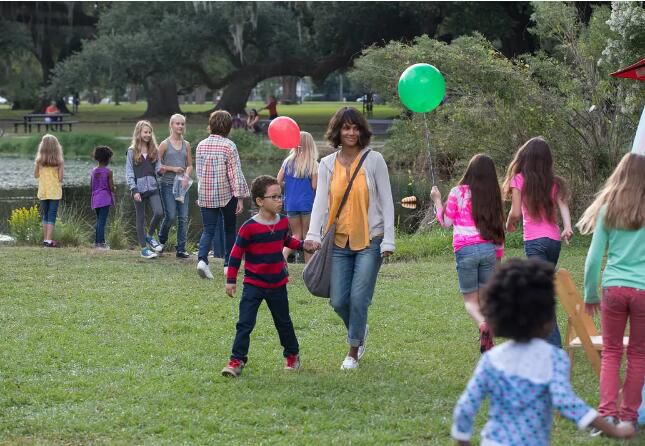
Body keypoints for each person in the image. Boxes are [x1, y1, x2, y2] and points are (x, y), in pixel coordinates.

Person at [451, 258, 636, 446]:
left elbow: (466, 405)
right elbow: (568, 403)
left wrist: (462, 439)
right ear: (546, 319)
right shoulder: (554, 359)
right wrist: (614, 430)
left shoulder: (491, 360)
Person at [304, 107, 395, 370]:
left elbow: (387, 201)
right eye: (346, 128)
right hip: (339, 241)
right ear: (338, 131)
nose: (351, 132)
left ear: (362, 131)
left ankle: (353, 351)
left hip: (371, 239)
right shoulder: (327, 164)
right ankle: (360, 328)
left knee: (359, 298)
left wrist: (389, 239)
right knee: (339, 300)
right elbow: (320, 202)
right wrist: (312, 234)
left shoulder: (374, 160)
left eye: (355, 127)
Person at [576, 152, 645, 434]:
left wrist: (590, 294)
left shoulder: (608, 208)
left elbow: (593, 259)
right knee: (639, 355)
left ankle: (607, 416)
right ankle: (628, 417)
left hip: (614, 289)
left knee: (612, 352)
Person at [221, 175, 304, 378]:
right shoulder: (249, 227)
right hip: (253, 284)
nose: (279, 201)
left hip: (277, 284)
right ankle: (236, 360)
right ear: (259, 201)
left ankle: (292, 355)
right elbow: (235, 254)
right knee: (245, 323)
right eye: (274, 197)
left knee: (283, 321)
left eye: (280, 196)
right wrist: (231, 280)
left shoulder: (283, 222)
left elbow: (287, 241)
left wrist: (303, 245)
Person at [431, 154, 505, 354]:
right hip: (489, 250)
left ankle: (483, 325)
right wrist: (498, 256)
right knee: (483, 300)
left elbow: (446, 223)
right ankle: (489, 341)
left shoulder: (457, 192)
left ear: (470, 171)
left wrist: (437, 201)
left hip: (465, 250)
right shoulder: (493, 195)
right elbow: (499, 228)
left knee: (471, 302)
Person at [502, 136, 573, 348]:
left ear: (525, 156)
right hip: (553, 241)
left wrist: (508, 224)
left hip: (535, 242)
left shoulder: (519, 179)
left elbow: (514, 212)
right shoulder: (553, 181)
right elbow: (563, 206)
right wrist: (568, 227)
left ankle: (553, 347)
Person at [196, 110, 249, 279]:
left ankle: (202, 261)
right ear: (228, 126)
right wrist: (240, 196)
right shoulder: (229, 146)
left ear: (210, 125)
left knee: (208, 230)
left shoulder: (201, 145)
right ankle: (228, 265)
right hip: (226, 194)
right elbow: (235, 174)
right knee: (229, 230)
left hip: (205, 193)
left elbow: (199, 172)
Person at [277, 131, 318, 263]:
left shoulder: (288, 162)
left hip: (290, 203)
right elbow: (315, 185)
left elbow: (278, 180)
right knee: (307, 235)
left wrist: (289, 185)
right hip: (307, 203)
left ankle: (283, 255)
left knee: (296, 234)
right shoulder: (313, 164)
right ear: (310, 145)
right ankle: (309, 265)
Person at [125, 120, 164, 259]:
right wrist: (134, 190)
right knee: (140, 218)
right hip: (138, 190)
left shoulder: (155, 150)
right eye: (145, 132)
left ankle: (149, 236)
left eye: (149, 132)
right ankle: (143, 249)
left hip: (153, 187)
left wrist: (161, 171)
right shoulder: (131, 151)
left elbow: (158, 168)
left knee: (159, 212)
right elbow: (129, 172)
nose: (147, 135)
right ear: (139, 133)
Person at [158, 114, 193, 259]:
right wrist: (173, 169)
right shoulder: (164, 144)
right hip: (167, 185)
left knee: (183, 218)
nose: (180, 126)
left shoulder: (187, 145)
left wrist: (186, 176)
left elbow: (190, 165)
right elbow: (158, 167)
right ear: (171, 125)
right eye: (177, 124)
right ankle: (160, 241)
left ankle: (181, 249)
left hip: (182, 186)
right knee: (171, 216)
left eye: (182, 124)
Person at [34, 134, 64, 248]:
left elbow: (36, 175)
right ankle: (48, 240)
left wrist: (40, 168)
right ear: (56, 148)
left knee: (45, 216)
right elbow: (61, 178)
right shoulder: (59, 162)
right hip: (55, 192)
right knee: (51, 216)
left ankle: (45, 240)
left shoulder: (39, 162)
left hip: (43, 191)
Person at [90, 145, 115, 250]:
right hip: (104, 199)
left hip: (95, 199)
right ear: (108, 159)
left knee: (99, 221)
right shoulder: (109, 172)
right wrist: (114, 188)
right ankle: (100, 244)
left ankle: (98, 242)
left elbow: (91, 186)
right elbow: (111, 187)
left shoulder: (93, 171)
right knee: (102, 222)